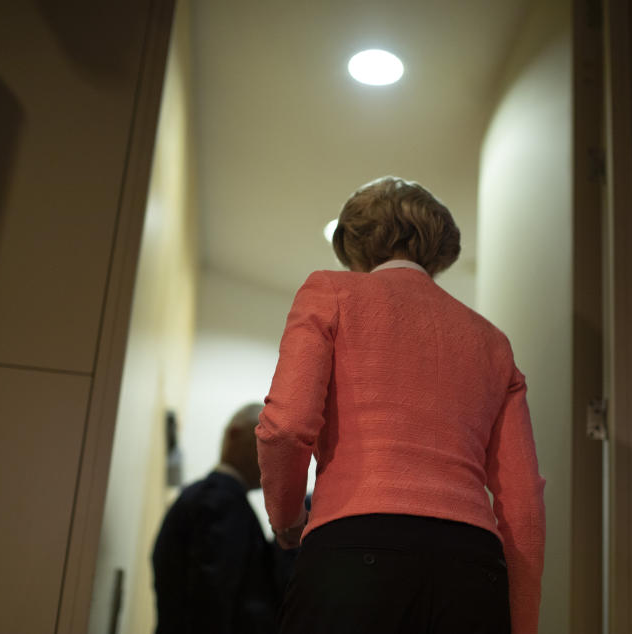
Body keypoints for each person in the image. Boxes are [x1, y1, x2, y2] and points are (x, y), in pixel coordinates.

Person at [256, 176, 547, 634]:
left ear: (355, 247)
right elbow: (525, 507)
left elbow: (286, 426)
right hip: (473, 570)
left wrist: (287, 518)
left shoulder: (332, 293)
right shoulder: (492, 343)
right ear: (439, 249)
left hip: (353, 552)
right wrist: (522, 624)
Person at [152, 403, 282, 634]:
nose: (277, 459)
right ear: (235, 434)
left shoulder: (206, 497)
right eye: (270, 443)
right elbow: (209, 598)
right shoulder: (221, 501)